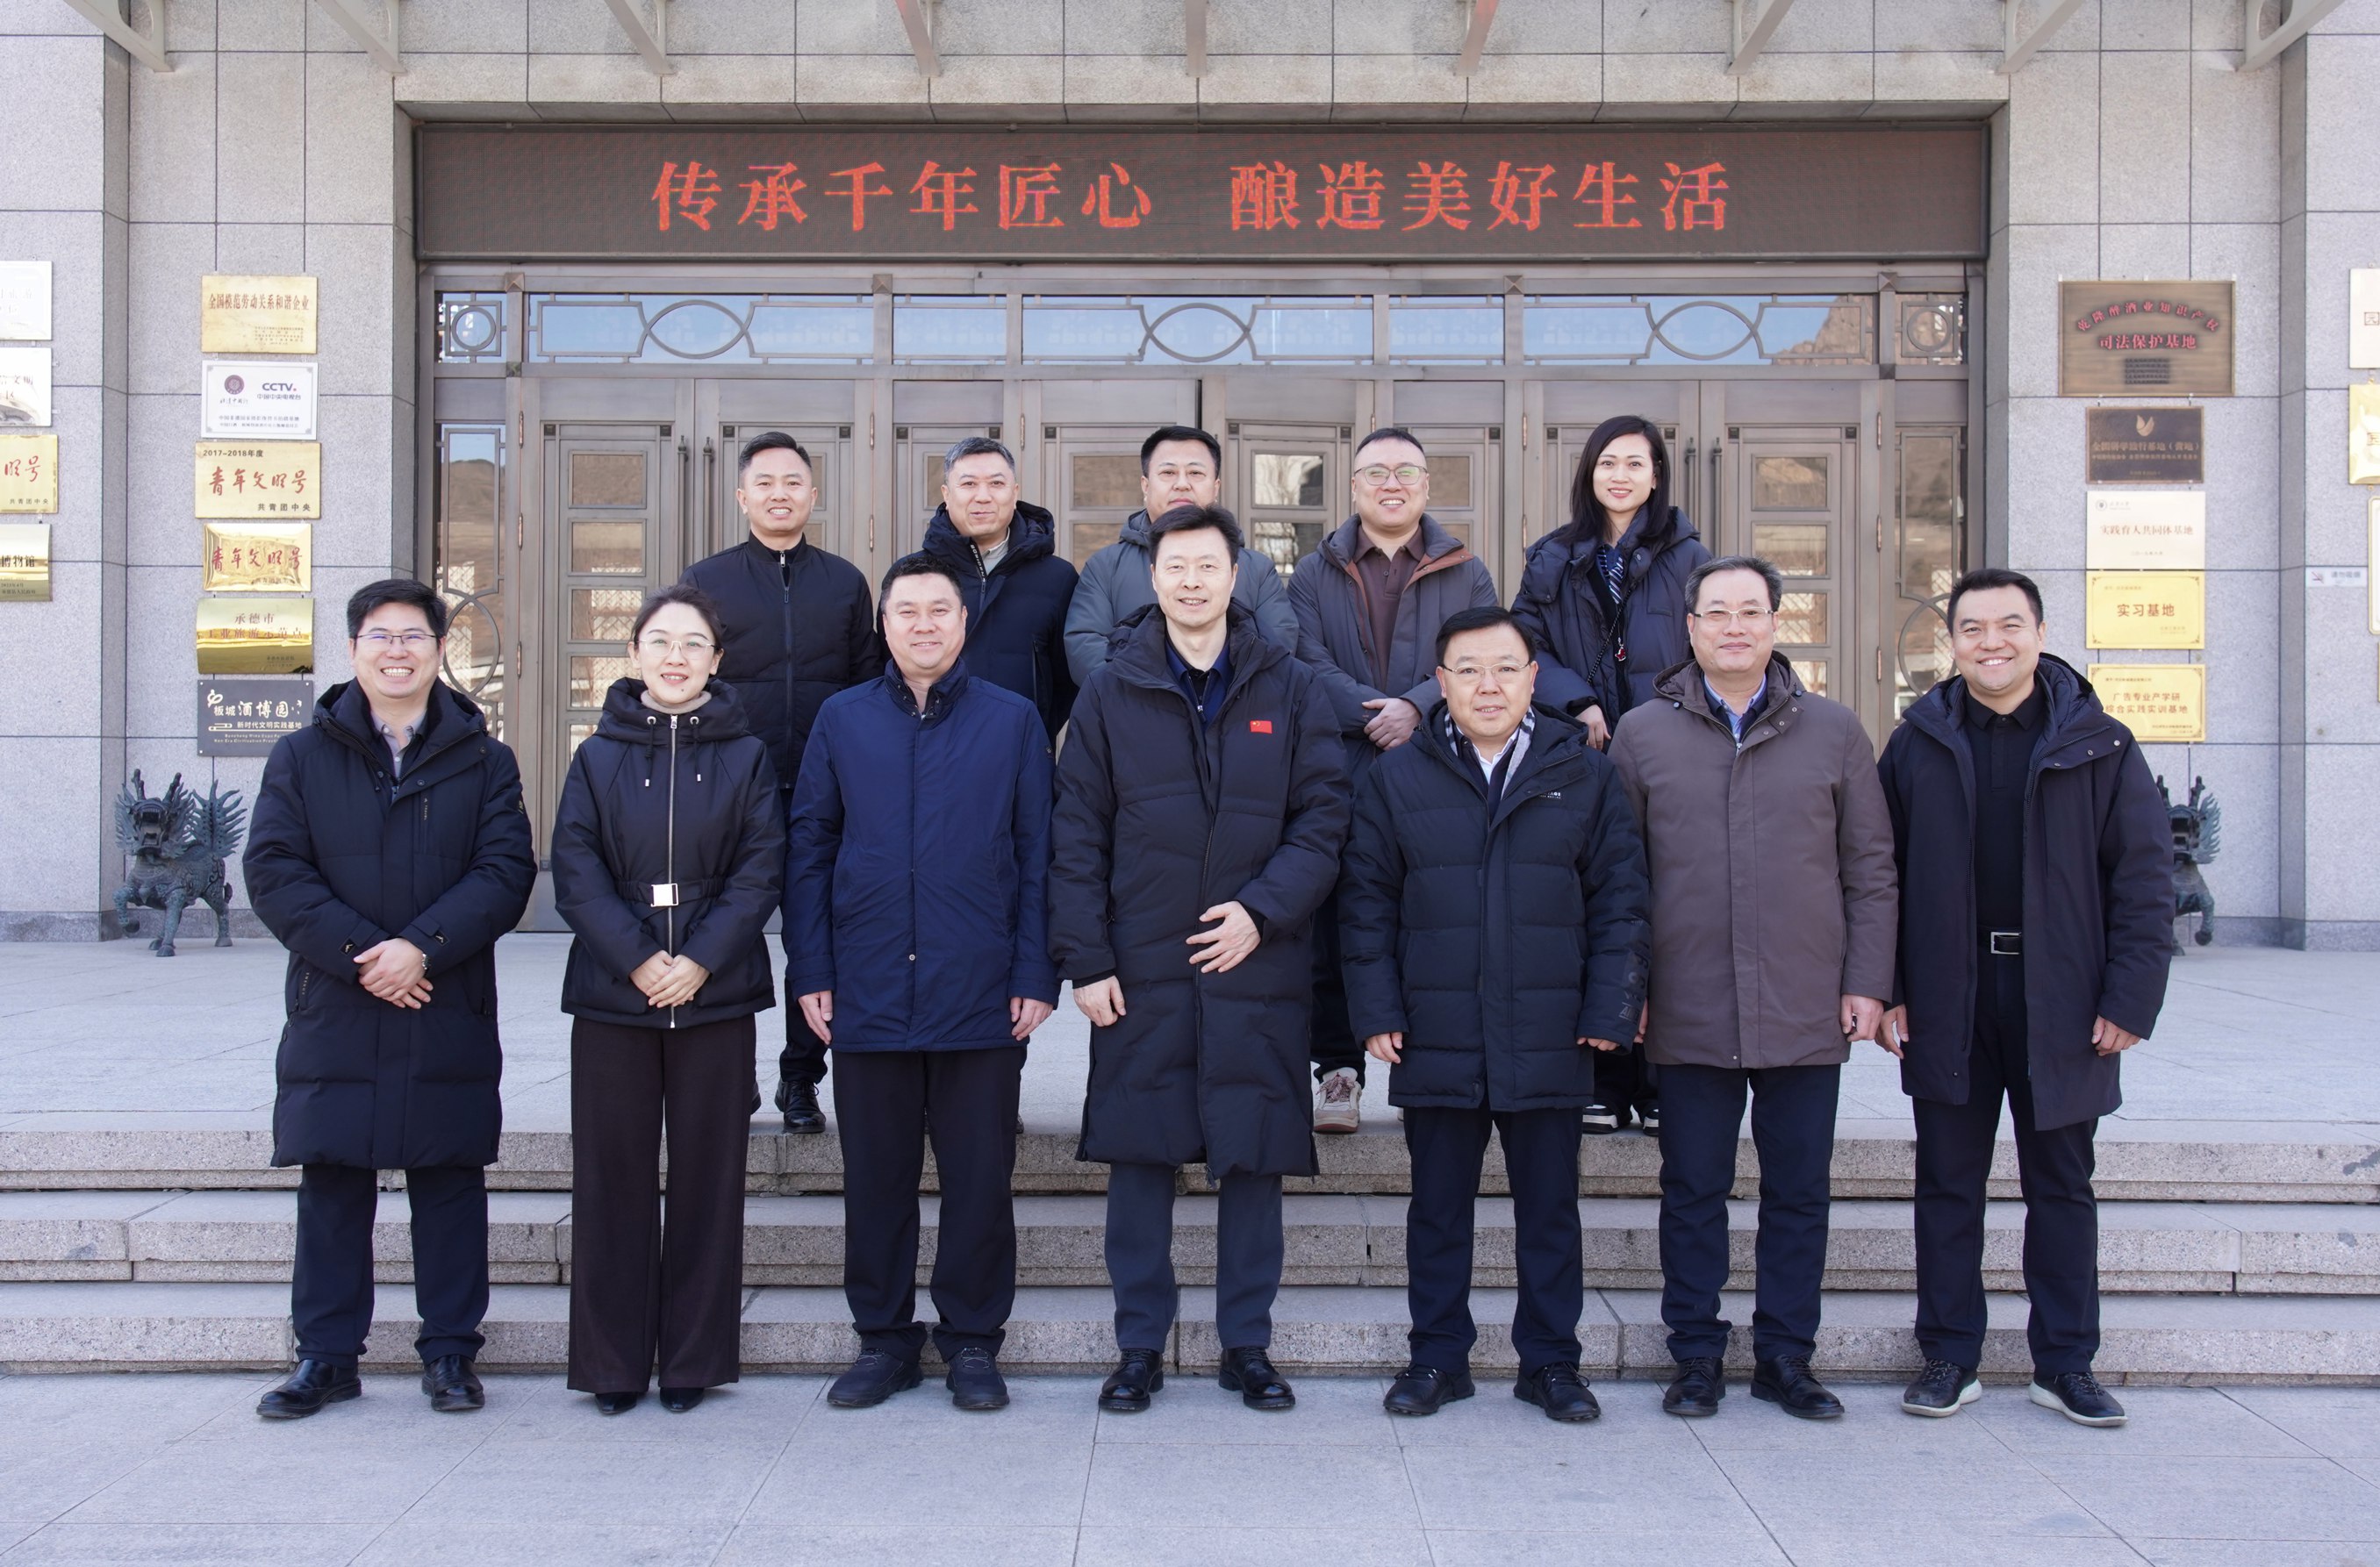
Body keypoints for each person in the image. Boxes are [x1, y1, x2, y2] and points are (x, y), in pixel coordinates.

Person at [1051, 503, 1349, 1416]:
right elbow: (1075, 833)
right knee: (1140, 1159)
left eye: (1207, 565)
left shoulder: (1289, 686)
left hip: (1257, 962)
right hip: (1142, 963)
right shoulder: (1111, 690)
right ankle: (1139, 1345)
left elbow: (1324, 818)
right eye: (1174, 566)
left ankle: (1246, 1345)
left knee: (1253, 1160)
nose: (1190, 581)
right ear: (1152, 578)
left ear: (1237, 575)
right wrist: (1087, 960)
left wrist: (1263, 911)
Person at [1338, 607, 1649, 1423]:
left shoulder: (1583, 773)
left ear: (1533, 680)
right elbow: (1365, 906)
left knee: (1550, 1212)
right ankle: (1437, 1358)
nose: (1488, 685)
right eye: (1469, 669)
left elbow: (1621, 902)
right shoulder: (1397, 777)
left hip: (1550, 1028)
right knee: (1438, 1210)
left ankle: (1551, 1363)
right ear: (1440, 683)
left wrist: (1612, 1007)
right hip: (1435, 1029)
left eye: (1506, 669)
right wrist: (1376, 1009)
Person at [1879, 568, 2173, 1428]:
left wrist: (2131, 996)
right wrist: (1891, 989)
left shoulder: (2101, 744)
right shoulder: (1918, 743)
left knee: (2062, 1184)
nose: (1992, 642)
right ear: (1952, 643)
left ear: (2040, 634)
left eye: (2009, 625)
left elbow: (2144, 879)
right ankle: (1949, 1356)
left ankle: (2066, 1363)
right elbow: (1879, 874)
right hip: (1951, 993)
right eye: (1972, 628)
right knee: (1947, 1182)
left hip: (2065, 997)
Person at [1609, 555, 1896, 1422]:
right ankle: (1696, 1353)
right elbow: (1619, 879)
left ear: (1776, 622)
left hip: (1805, 999)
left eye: (1751, 611)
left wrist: (1867, 981)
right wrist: (1629, 989)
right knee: (1692, 1188)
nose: (1734, 627)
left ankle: (1786, 1356)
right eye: (1717, 612)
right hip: (1688, 1000)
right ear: (1690, 627)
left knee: (1798, 1191)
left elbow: (1871, 870)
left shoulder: (1835, 731)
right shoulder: (1643, 735)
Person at [242, 578, 535, 1420]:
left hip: (444, 995)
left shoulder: (485, 760)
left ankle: (450, 1353)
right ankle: (326, 1357)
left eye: (413, 636)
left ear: (441, 651)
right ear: (352, 649)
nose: (397, 652)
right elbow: (274, 871)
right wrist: (365, 956)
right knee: (333, 1180)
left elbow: (505, 872)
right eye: (380, 636)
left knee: (448, 1178)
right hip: (339, 999)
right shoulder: (301, 757)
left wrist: (420, 949)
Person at [787, 553, 1057, 1415]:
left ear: (964, 621)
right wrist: (812, 967)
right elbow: (810, 849)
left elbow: (1040, 855)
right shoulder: (842, 719)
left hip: (981, 988)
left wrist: (1036, 970)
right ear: (886, 623)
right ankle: (884, 1339)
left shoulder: (1012, 720)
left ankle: (973, 1340)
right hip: (866, 985)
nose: (924, 625)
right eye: (907, 611)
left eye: (940, 610)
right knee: (876, 1179)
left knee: (979, 1180)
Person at [550, 584, 785, 1416]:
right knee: (610, 1179)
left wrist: (702, 961)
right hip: (615, 997)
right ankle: (611, 1365)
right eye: (660, 641)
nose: (676, 657)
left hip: (715, 999)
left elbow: (761, 868)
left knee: (708, 1181)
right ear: (634, 654)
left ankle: (693, 1360)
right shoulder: (596, 757)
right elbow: (575, 870)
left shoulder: (747, 756)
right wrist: (641, 960)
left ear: (716, 660)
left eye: (693, 644)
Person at [1287, 427, 1498, 1134]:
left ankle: (1430, 1072)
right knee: (1336, 918)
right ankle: (1338, 1070)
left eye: (1407, 472)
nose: (1391, 484)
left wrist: (1417, 706)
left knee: (1432, 920)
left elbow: (1481, 656)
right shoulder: (1313, 571)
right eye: (1375, 472)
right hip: (1337, 766)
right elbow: (1302, 659)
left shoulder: (1466, 571)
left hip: (1436, 765)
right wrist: (1374, 712)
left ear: (1427, 486)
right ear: (1353, 487)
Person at [1511, 415, 1710, 1139]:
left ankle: (1658, 1078)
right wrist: (1577, 700)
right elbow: (1524, 643)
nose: (1619, 476)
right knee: (1592, 907)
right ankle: (1602, 1075)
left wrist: (1659, 719)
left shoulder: (1692, 559)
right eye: (1607, 463)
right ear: (1589, 473)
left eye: (1634, 463)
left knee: (1664, 909)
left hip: (1672, 755)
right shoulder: (1553, 557)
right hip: (1580, 754)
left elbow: (1709, 648)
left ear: (1656, 475)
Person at [681, 431, 875, 1137]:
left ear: (813, 495)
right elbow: (688, 681)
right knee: (719, 934)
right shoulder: (706, 581)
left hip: (822, 793)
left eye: (793, 482)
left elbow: (866, 687)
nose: (779, 494)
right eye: (764, 483)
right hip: (730, 790)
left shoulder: (845, 583)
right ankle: (724, 1083)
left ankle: (801, 1078)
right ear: (742, 497)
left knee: (814, 938)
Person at [1064, 424, 1298, 684]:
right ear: (1145, 485)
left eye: (1195, 473)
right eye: (1168, 472)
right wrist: (1151, 694)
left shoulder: (1257, 569)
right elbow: (1084, 647)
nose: (1182, 484)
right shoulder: (1105, 567)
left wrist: (1217, 695)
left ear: (1216, 487)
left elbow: (1279, 646)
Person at [920, 435, 1079, 741]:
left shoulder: (1058, 578)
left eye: (996, 483)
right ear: (946, 494)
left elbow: (1067, 679)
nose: (983, 497)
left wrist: (1036, 729)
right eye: (968, 484)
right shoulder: (914, 575)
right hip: (931, 746)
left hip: (1022, 747)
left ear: (1014, 492)